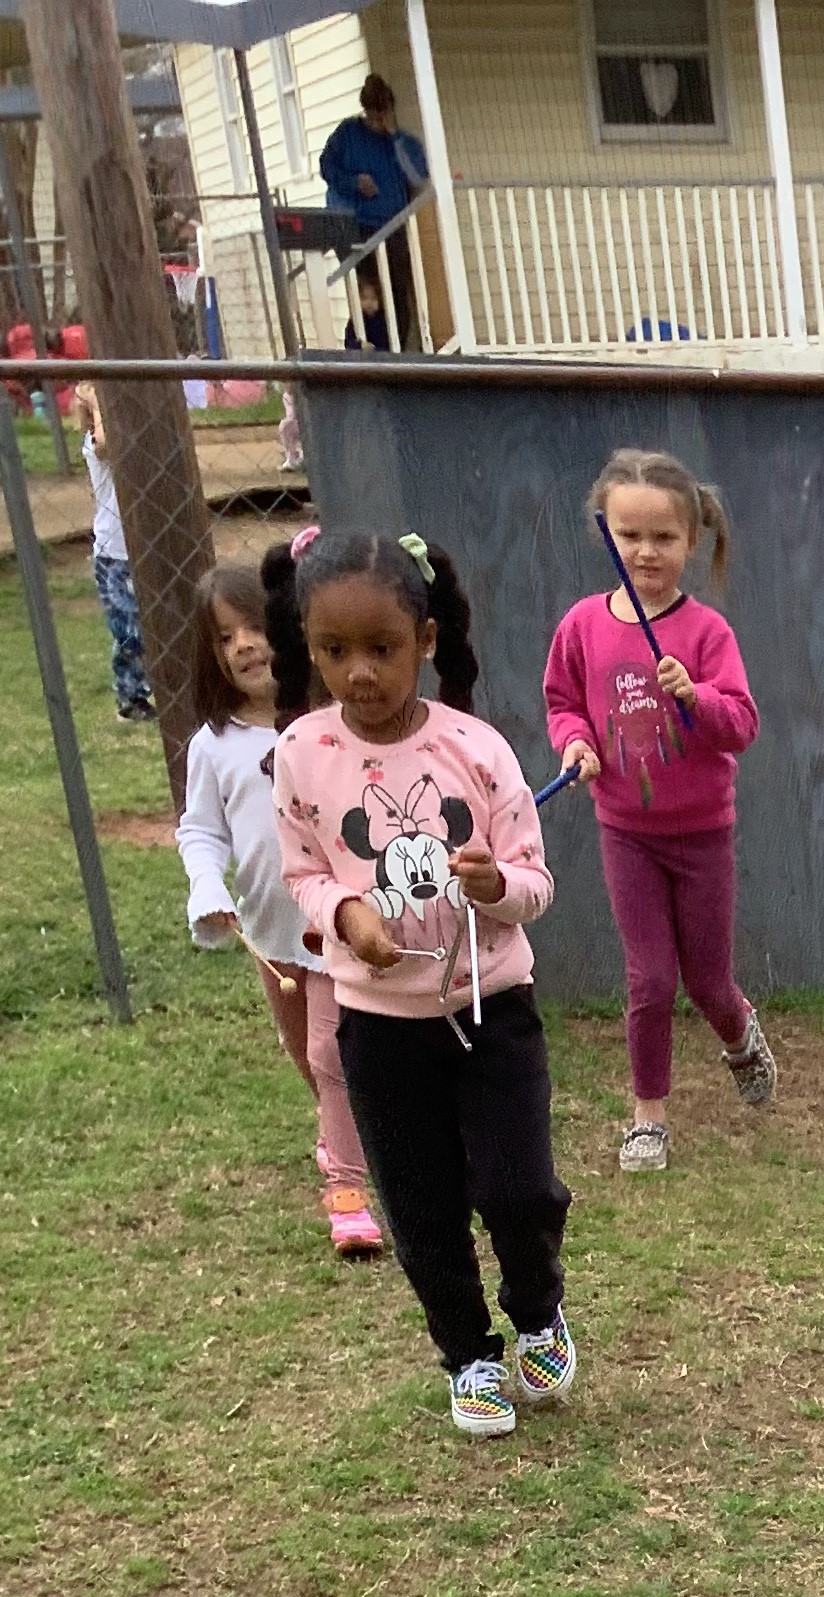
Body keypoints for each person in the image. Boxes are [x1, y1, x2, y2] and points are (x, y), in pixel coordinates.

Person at [268, 528, 571, 1440]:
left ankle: (537, 1311)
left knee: (519, 1190)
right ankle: (468, 1355)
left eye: (382, 648)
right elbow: (303, 871)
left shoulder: (476, 750)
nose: (359, 672)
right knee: (420, 1203)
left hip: (492, 1012)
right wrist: (343, 915)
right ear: (310, 649)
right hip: (379, 1029)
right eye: (334, 651)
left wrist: (495, 886)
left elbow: (536, 883)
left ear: (426, 641)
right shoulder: (301, 751)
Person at [544, 450, 775, 1176]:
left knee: (707, 982)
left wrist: (694, 696)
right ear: (605, 534)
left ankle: (739, 1032)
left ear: (692, 541)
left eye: (664, 537)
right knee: (649, 979)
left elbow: (741, 724)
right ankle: (648, 1118)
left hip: (703, 835)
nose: (646, 552)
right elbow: (563, 702)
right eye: (630, 535)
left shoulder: (707, 634)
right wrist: (577, 744)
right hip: (627, 833)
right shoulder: (583, 625)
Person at [176, 562, 380, 1257]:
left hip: (333, 928)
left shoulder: (331, 725)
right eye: (223, 637)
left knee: (330, 1052)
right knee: (309, 1059)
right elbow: (201, 831)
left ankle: (348, 1192)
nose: (242, 645)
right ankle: (340, 1133)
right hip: (271, 935)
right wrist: (208, 887)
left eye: (253, 627)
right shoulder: (214, 747)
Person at [319, 75, 429, 352]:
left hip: (392, 226)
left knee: (397, 294)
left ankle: (394, 353)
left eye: (383, 115)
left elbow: (418, 176)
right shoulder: (347, 135)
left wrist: (395, 137)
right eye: (373, 116)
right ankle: (359, 346)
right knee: (369, 295)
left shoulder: (401, 142)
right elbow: (327, 167)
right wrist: (354, 182)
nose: (378, 122)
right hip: (356, 226)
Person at [72, 382, 152, 722]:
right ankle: (130, 699)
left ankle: (153, 687)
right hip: (114, 553)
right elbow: (106, 444)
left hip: (144, 546)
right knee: (129, 629)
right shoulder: (94, 443)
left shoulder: (136, 443)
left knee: (154, 621)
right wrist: (95, 402)